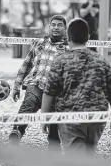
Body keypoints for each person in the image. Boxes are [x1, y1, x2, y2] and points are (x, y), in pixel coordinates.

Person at [41, 18, 111, 166]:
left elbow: (49, 91)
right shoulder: (101, 60)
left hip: (70, 118)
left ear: (68, 37)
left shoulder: (61, 61)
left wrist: (44, 118)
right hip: (96, 118)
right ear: (88, 37)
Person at [9, 15, 69, 151]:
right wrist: (16, 86)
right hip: (35, 83)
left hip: (56, 90)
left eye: (59, 25)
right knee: (29, 103)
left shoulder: (68, 49)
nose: (56, 27)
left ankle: (54, 146)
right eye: (53, 24)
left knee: (53, 119)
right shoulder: (38, 43)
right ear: (49, 27)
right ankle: (17, 131)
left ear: (65, 29)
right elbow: (26, 65)